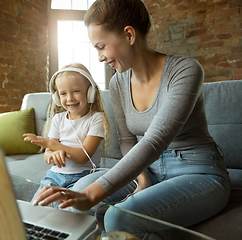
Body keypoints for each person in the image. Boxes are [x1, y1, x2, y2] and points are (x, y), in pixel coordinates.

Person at [31, 0, 231, 239]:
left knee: (117, 217)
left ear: (129, 34)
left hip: (199, 171)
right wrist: (141, 177)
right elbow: (128, 141)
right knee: (69, 200)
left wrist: (93, 195)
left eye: (101, 46)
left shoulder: (186, 70)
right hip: (149, 170)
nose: (99, 57)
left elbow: (155, 140)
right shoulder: (118, 82)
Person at [23, 63, 110, 207]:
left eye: (76, 91)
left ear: (90, 92)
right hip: (54, 176)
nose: (69, 98)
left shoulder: (97, 118)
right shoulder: (58, 119)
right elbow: (47, 156)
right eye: (63, 93)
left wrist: (50, 144)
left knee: (66, 213)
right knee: (37, 207)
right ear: (57, 97)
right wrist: (52, 154)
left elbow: (83, 157)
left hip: (82, 177)